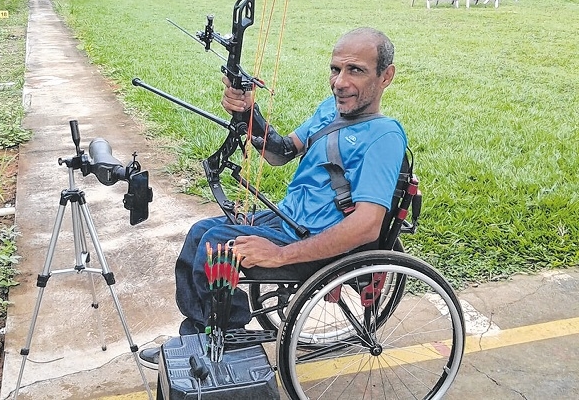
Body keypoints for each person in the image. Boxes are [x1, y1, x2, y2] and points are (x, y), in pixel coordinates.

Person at [139, 27, 407, 368]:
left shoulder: (384, 137)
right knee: (199, 233)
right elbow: (279, 152)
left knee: (215, 246)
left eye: (355, 70)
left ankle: (224, 338)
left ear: (386, 77)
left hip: (314, 239)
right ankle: (199, 334)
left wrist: (280, 255)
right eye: (335, 69)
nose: (340, 82)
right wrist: (247, 113)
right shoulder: (331, 110)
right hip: (289, 219)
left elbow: (368, 226)